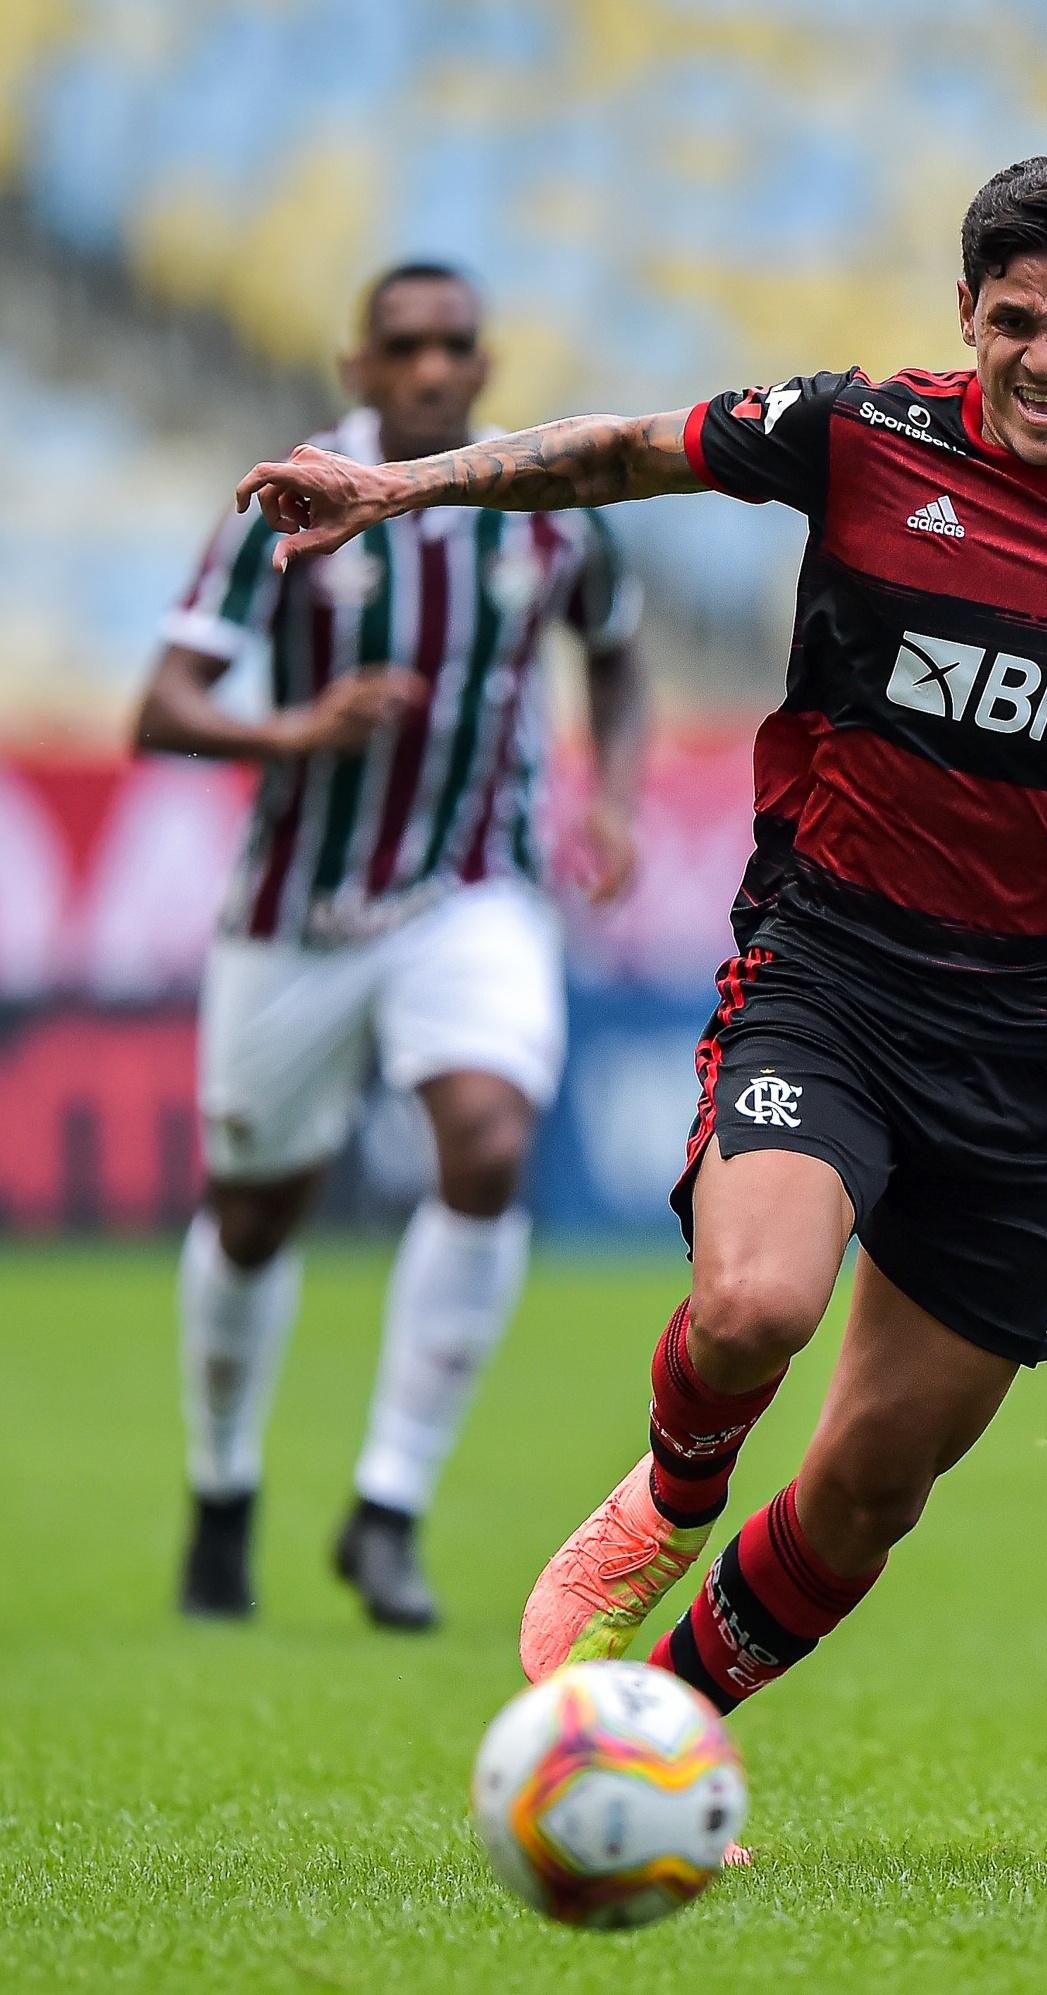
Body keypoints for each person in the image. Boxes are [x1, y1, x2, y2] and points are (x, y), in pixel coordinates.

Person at [236, 156, 1047, 1714]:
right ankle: (667, 1505)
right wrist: (407, 485)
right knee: (756, 1302)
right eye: (1013, 319)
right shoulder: (860, 434)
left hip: (1043, 1047)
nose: (1044, 356)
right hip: (835, 974)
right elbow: (626, 451)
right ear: (965, 313)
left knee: (871, 1482)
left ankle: (660, 1732)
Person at [141, 261, 648, 1630]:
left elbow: (615, 645)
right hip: (300, 904)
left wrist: (608, 793)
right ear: (358, 367)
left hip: (474, 887)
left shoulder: (552, 512)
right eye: (405, 348)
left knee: (486, 1142)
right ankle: (224, 1487)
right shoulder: (285, 504)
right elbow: (166, 706)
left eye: (455, 347)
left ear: (486, 369)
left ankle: (388, 1504)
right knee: (254, 1210)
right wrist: (294, 732)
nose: (432, 369)